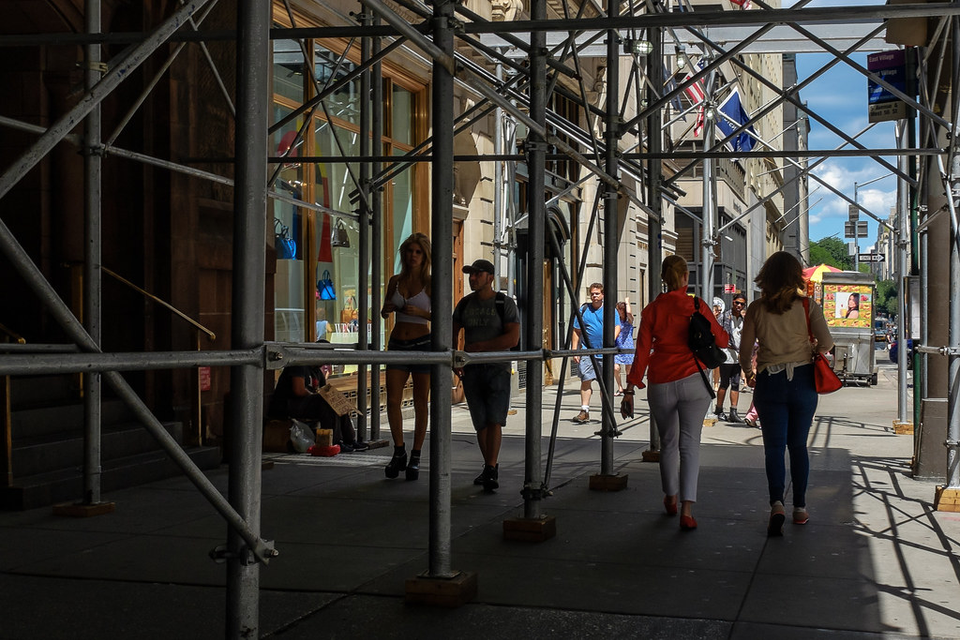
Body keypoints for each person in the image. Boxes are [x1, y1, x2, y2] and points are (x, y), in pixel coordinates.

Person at [620, 256, 728, 531]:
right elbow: (723, 340)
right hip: (694, 379)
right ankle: (687, 510)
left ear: (664, 278)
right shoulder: (697, 305)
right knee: (690, 445)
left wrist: (630, 388)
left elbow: (642, 351)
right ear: (685, 278)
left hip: (661, 382)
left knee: (668, 443)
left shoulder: (652, 309)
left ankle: (670, 496)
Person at [740, 251, 834, 537]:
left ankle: (777, 503)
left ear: (766, 276)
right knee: (798, 446)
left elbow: (745, 352)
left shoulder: (756, 308)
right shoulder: (808, 307)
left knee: (773, 448)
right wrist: (811, 349)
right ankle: (801, 507)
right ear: (796, 276)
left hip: (770, 381)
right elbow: (827, 343)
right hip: (803, 380)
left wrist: (749, 372)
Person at [453, 259, 520, 492]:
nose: (473, 278)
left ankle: (491, 467)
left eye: (478, 274)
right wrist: (455, 357)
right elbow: (452, 329)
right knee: (480, 420)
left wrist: (479, 347)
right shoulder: (464, 304)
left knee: (494, 419)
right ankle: (489, 467)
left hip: (497, 368)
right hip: (472, 369)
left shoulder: (504, 303)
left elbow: (512, 339)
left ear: (490, 277)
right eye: (471, 274)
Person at [380, 232, 432, 481]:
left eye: (418, 252)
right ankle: (398, 449)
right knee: (393, 400)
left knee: (421, 401)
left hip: (423, 343)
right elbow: (383, 311)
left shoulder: (430, 283)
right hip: (398, 342)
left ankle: (417, 454)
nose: (413, 256)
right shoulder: (395, 281)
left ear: (425, 256)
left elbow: (444, 315)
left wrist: (422, 312)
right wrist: (387, 308)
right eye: (410, 251)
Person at [267, 347, 368, 453]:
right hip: (287, 405)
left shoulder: (317, 372)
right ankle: (334, 442)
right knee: (325, 402)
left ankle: (349, 440)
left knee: (336, 400)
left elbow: (325, 392)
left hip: (304, 404)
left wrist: (335, 398)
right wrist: (318, 396)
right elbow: (299, 390)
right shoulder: (299, 365)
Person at [571, 283, 619, 423]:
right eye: (592, 293)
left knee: (605, 384)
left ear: (603, 295)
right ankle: (584, 410)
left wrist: (610, 341)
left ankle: (606, 412)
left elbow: (617, 326)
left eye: (597, 293)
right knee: (586, 379)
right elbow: (576, 330)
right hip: (587, 350)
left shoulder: (610, 310)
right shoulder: (584, 310)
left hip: (605, 352)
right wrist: (575, 350)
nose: (594, 296)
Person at [714, 292, 747, 423]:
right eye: (737, 303)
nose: (739, 305)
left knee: (735, 383)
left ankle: (733, 411)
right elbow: (716, 332)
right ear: (733, 302)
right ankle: (719, 409)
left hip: (737, 356)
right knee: (724, 383)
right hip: (726, 354)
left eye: (742, 304)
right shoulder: (724, 317)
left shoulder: (744, 320)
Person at [614, 298, 635, 396]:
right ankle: (620, 387)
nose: (618, 311)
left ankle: (628, 387)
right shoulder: (615, 321)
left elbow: (630, 314)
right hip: (617, 346)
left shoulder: (628, 321)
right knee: (615, 368)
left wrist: (627, 302)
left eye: (619, 309)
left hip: (628, 347)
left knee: (628, 369)